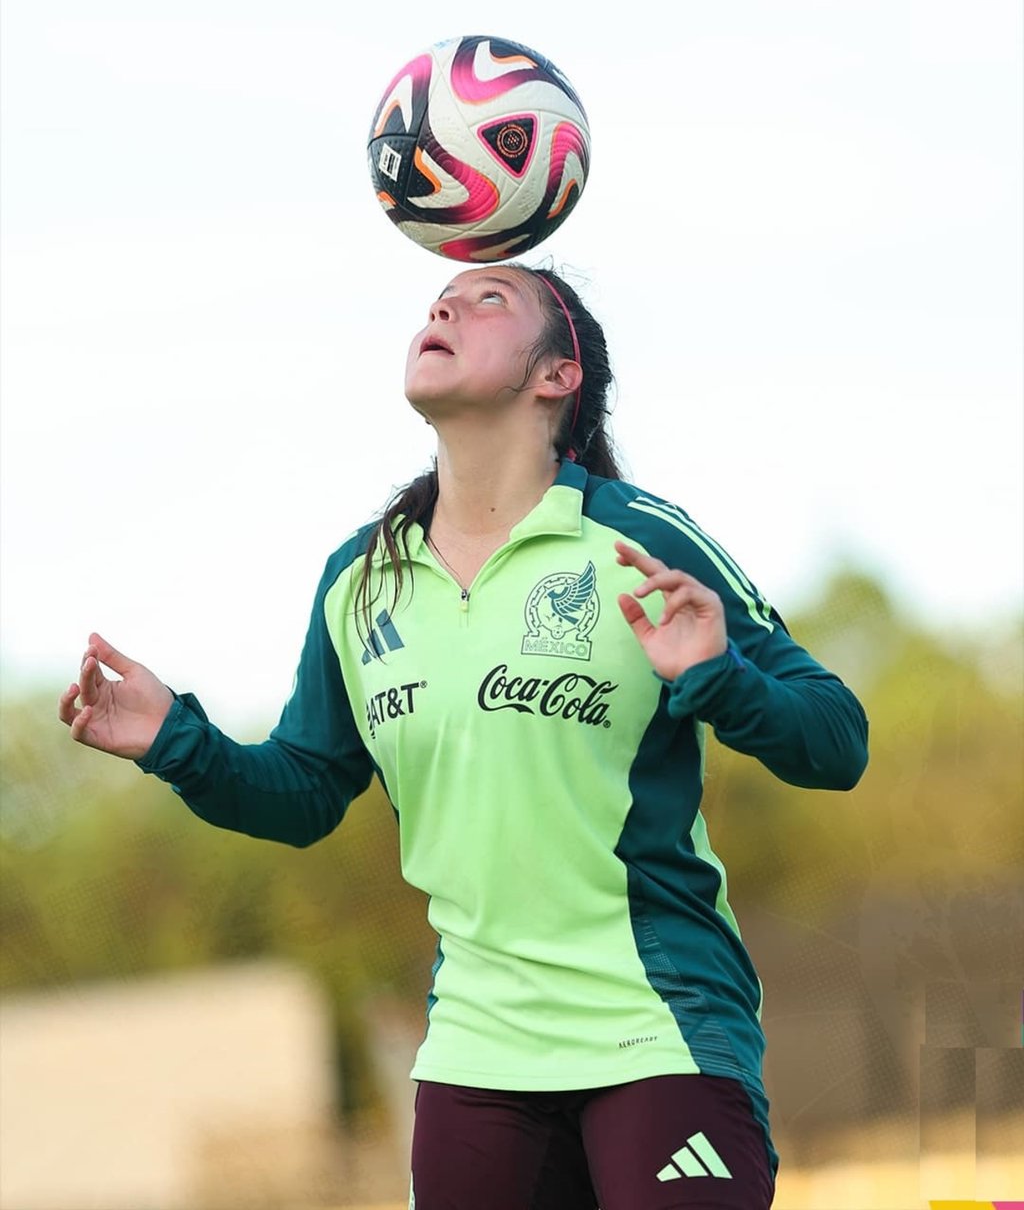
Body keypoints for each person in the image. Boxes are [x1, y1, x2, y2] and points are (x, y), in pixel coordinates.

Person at [59, 263, 869, 1210]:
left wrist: (718, 679)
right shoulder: (360, 582)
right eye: (438, 298)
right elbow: (307, 790)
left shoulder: (640, 540)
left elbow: (837, 739)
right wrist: (175, 742)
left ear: (556, 376)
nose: (443, 306)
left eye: (490, 300)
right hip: (478, 1049)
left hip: (661, 1023)